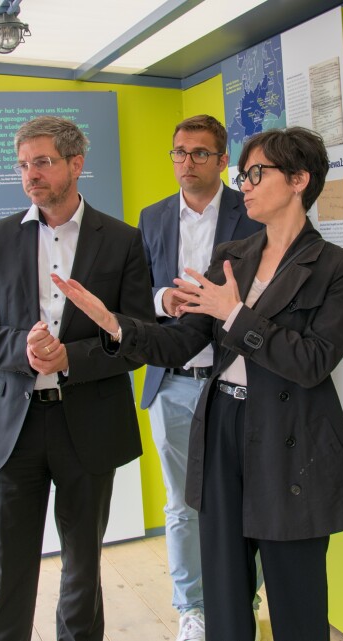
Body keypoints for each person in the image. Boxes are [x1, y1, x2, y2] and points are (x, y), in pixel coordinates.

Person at [55, 126, 343, 641]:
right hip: (223, 426)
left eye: (256, 173)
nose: (243, 182)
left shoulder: (336, 266)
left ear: (298, 180)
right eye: (243, 172)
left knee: (297, 596)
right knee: (224, 590)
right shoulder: (233, 255)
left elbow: (313, 362)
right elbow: (181, 343)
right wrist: (115, 325)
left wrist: (237, 314)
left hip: (291, 438)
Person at [0, 115, 154, 641]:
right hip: (12, 432)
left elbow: (137, 338)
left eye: (42, 162)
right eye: (23, 165)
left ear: (75, 164)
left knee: (82, 572)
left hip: (87, 426)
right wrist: (21, 349)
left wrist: (70, 357)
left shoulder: (122, 241)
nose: (30, 175)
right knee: (9, 572)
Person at [138, 114, 264, 641]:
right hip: (173, 380)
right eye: (178, 153)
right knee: (182, 503)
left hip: (235, 380)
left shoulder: (251, 212)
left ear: (222, 159)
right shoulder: (152, 217)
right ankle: (192, 608)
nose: (186, 163)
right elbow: (135, 289)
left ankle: (242, 598)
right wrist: (160, 299)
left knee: (243, 498)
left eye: (198, 154)